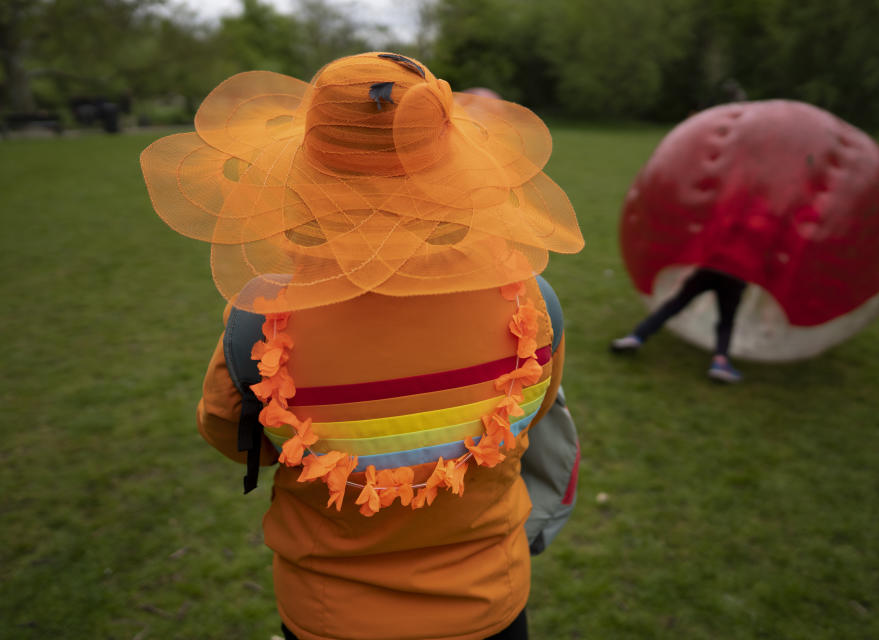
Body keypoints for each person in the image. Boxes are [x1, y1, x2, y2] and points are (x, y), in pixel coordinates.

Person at [140, 52, 584, 640]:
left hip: (329, 613)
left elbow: (231, 432)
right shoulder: (530, 303)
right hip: (488, 602)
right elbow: (536, 411)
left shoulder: (260, 325)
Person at [610, 267, 746, 383]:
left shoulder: (721, 234)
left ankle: (636, 337)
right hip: (736, 276)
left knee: (675, 305)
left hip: (710, 268)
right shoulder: (759, 237)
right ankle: (720, 363)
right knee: (726, 321)